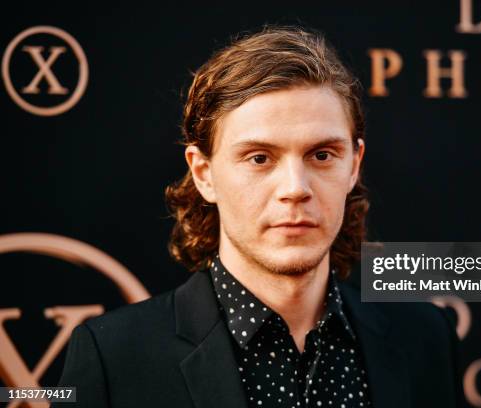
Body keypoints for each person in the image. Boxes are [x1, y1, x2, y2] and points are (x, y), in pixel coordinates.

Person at [55, 25, 459, 408]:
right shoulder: (113, 355)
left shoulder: (424, 337)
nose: (295, 188)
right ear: (204, 174)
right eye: (259, 158)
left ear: (354, 165)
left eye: (322, 155)